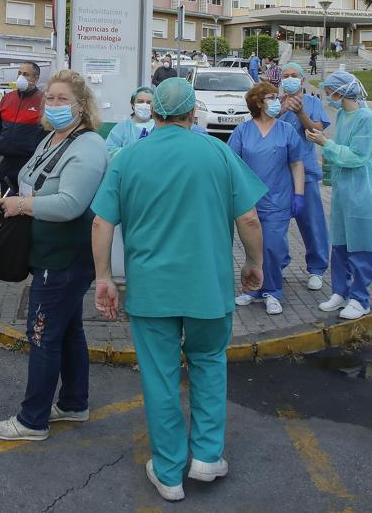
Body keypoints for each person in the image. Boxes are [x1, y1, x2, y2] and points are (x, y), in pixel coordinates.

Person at [92, 77, 266, 502]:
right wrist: (254, 263)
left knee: (160, 378)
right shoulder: (218, 152)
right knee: (209, 364)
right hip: (208, 288)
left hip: (152, 293)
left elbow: (101, 223)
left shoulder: (128, 157)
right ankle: (207, 457)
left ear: (154, 111)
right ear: (192, 113)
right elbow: (249, 221)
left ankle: (168, 474)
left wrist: (104, 278)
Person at [0, 70, 108, 442]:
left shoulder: (86, 146)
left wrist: (21, 205)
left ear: (81, 105)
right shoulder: (53, 138)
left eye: (62, 100)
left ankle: (32, 420)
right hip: (48, 253)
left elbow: (70, 204)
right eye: (50, 98)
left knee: (41, 336)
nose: (53, 104)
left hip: (63, 259)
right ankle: (73, 403)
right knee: (68, 331)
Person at [308, 70, 372, 319]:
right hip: (345, 187)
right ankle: (340, 292)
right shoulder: (344, 114)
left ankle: (360, 298)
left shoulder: (367, 118)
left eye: (330, 90)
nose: (327, 95)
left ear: (342, 91)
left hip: (363, 187)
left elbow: (359, 155)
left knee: (361, 244)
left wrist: (326, 144)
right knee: (341, 241)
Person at [228, 81, 304, 316]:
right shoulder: (243, 131)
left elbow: (296, 163)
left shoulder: (286, 130)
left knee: (272, 246)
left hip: (278, 198)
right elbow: (232, 164)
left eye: (276, 97)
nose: (276, 101)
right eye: (271, 97)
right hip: (249, 200)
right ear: (259, 102)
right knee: (254, 247)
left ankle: (272, 291)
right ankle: (252, 289)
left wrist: (299, 194)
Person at [276, 63, 330, 291]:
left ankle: (317, 269)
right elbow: (263, 124)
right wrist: (280, 109)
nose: (289, 79)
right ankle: (277, 265)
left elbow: (316, 131)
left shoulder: (313, 103)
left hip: (305, 172)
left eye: (294, 76)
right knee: (274, 225)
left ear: (302, 79)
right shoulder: (274, 102)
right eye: (285, 76)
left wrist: (299, 112)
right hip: (277, 173)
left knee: (312, 223)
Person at [0, 62, 45, 193]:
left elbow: (47, 133)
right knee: (6, 201)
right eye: (19, 73)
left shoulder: (43, 101)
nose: (21, 77)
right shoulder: (7, 98)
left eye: (26, 74)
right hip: (7, 162)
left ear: (36, 79)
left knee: (25, 204)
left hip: (30, 163)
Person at [104, 87, 155, 158]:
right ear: (132, 104)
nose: (144, 105)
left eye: (149, 103)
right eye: (140, 101)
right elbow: (109, 151)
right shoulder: (123, 127)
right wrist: (132, 152)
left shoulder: (159, 127)